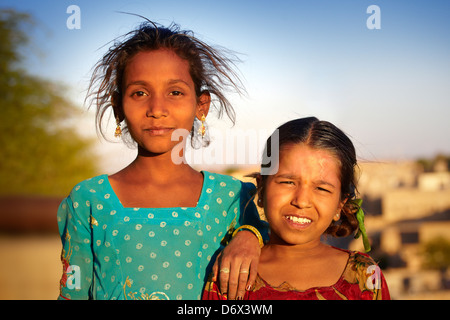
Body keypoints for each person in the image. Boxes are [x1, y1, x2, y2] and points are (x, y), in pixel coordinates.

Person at [57, 20, 268, 300]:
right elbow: (73, 293)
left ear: (200, 106)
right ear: (119, 107)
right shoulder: (88, 199)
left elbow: (282, 237)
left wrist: (251, 235)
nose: (157, 109)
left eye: (175, 92)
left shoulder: (233, 199)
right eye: (140, 93)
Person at [203, 117, 390, 300]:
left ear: (340, 204)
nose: (302, 201)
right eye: (288, 182)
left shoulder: (364, 276)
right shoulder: (233, 272)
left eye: (321, 188)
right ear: (261, 187)